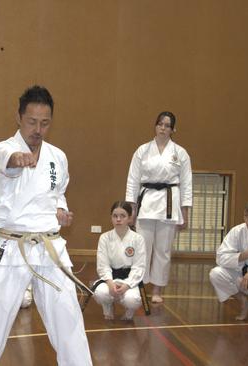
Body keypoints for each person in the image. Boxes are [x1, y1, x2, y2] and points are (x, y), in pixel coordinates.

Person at [0, 85, 92, 365]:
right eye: (32, 122)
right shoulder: (4, 149)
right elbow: (4, 162)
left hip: (49, 245)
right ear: (19, 117)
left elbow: (58, 193)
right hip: (11, 245)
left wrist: (62, 212)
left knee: (69, 318)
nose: (38, 129)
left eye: (45, 123)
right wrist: (16, 159)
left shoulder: (58, 157)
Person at [125, 111, 192, 303]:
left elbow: (187, 183)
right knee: (142, 248)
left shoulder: (180, 153)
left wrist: (185, 212)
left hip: (169, 202)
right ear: (155, 126)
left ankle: (157, 290)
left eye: (167, 125)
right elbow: (133, 180)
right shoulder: (142, 151)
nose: (163, 128)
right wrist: (132, 209)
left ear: (173, 130)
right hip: (146, 202)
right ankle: (140, 286)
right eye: (160, 124)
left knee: (163, 250)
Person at [93, 201, 146, 320]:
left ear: (129, 218)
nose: (118, 219)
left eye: (122, 216)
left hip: (129, 278)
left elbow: (139, 266)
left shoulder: (138, 239)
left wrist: (127, 284)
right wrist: (110, 283)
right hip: (111, 278)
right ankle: (107, 306)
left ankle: (130, 310)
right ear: (111, 218)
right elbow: (103, 264)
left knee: (132, 300)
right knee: (100, 293)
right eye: (115, 216)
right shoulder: (105, 237)